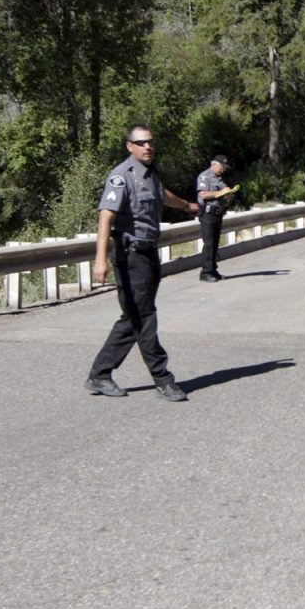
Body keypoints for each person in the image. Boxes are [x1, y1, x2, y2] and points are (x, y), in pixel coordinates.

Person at [83, 125, 200, 403]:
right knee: (145, 317)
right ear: (129, 146)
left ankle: (99, 374)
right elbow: (105, 217)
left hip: (148, 254)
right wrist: (100, 260)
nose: (148, 146)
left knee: (134, 317)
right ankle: (163, 378)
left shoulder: (151, 173)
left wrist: (186, 205)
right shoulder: (122, 176)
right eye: (141, 142)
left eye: (150, 142)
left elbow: (162, 194)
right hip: (129, 255)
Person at [195, 154, 239, 282]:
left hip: (218, 213)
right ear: (214, 164)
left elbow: (222, 196)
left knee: (214, 244)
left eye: (225, 167)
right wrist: (221, 193)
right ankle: (205, 272)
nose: (223, 170)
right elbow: (203, 194)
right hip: (208, 214)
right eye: (222, 167)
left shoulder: (220, 179)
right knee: (209, 244)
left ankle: (213, 270)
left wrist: (228, 195)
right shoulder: (205, 176)